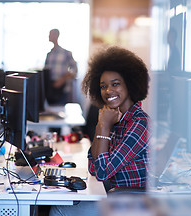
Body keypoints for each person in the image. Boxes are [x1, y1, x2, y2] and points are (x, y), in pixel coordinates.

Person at [49, 46, 150, 216]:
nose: (108, 91)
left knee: (59, 209)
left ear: (130, 84)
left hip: (130, 203)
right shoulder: (116, 117)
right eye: (103, 86)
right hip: (110, 195)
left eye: (115, 84)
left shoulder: (139, 123)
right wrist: (100, 126)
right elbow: (93, 167)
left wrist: (103, 125)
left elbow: (102, 172)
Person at [44, 29, 77, 105]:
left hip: (61, 87)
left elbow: (74, 69)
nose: (48, 36)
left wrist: (63, 79)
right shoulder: (49, 54)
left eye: (50, 34)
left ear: (56, 35)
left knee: (60, 110)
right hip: (50, 87)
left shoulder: (66, 53)